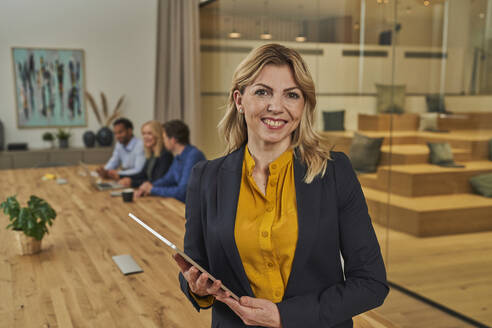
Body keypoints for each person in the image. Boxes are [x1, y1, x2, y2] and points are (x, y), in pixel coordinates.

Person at [173, 44, 389, 328]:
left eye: (292, 94)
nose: (276, 106)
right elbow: (195, 264)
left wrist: (284, 316)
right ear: (239, 100)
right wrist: (195, 287)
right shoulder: (205, 177)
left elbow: (371, 283)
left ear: (303, 105)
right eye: (262, 91)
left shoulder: (335, 172)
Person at [135, 120, 205, 202]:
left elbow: (183, 192)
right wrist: (149, 186)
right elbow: (168, 179)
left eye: (164, 138)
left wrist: (152, 189)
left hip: (195, 208)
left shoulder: (193, 155)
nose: (163, 141)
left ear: (173, 140)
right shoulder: (178, 156)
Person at [118, 120, 173, 188]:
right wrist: (123, 177)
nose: (145, 137)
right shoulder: (151, 154)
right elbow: (143, 175)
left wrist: (132, 182)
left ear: (158, 135)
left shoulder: (165, 155)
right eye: (143, 133)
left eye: (149, 133)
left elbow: (156, 181)